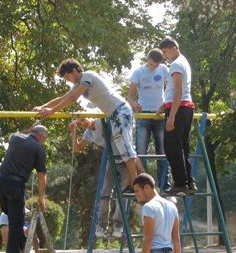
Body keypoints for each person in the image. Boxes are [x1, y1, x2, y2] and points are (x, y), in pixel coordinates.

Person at [34, 58, 140, 195]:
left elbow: (73, 99)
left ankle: (134, 185)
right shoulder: (77, 85)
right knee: (121, 149)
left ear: (74, 70)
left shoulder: (88, 76)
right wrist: (42, 107)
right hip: (111, 115)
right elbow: (63, 98)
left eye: (67, 76)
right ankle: (134, 184)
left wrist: (51, 111)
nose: (68, 80)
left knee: (125, 148)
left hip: (120, 111)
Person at [0, 124, 48, 253]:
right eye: (44, 139)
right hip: (15, 185)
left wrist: (31, 127)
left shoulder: (16, 138)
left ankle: (21, 246)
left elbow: (21, 132)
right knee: (16, 223)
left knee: (11, 216)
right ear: (41, 137)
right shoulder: (38, 148)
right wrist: (41, 197)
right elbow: (42, 176)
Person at [70, 117, 128, 237]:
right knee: (105, 191)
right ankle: (102, 225)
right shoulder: (88, 133)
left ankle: (118, 225)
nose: (83, 124)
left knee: (123, 193)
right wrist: (73, 132)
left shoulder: (103, 121)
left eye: (83, 120)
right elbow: (78, 148)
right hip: (111, 159)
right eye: (80, 124)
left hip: (126, 158)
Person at [158, 37, 197, 196]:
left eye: (165, 52)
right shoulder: (183, 61)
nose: (165, 56)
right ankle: (189, 181)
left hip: (179, 109)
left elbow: (178, 91)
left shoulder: (176, 64)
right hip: (184, 108)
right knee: (183, 147)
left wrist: (171, 117)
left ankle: (180, 183)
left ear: (173, 47)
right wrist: (164, 105)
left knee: (172, 147)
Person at [127, 49, 171, 191]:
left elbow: (172, 89)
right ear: (147, 59)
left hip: (160, 115)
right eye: (151, 64)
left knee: (163, 151)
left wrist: (165, 106)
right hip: (144, 115)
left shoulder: (164, 69)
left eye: (156, 65)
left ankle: (165, 184)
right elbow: (130, 97)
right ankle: (143, 184)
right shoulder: (138, 72)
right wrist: (135, 105)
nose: (153, 67)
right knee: (140, 151)